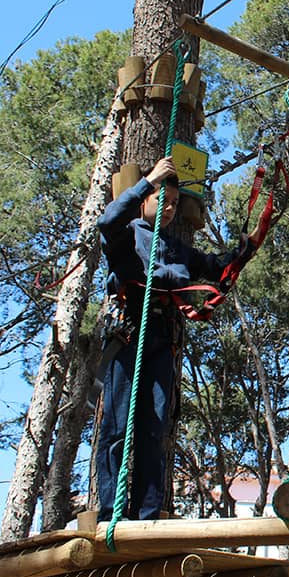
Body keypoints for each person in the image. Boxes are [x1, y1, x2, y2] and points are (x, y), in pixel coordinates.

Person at [95, 156, 260, 521]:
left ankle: (148, 511)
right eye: (161, 200)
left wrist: (247, 248)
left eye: (173, 204)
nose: (168, 209)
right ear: (144, 200)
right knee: (119, 427)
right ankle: (111, 511)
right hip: (129, 333)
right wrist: (149, 179)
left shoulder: (176, 248)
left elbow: (216, 267)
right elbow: (106, 222)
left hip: (162, 336)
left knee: (155, 427)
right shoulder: (128, 235)